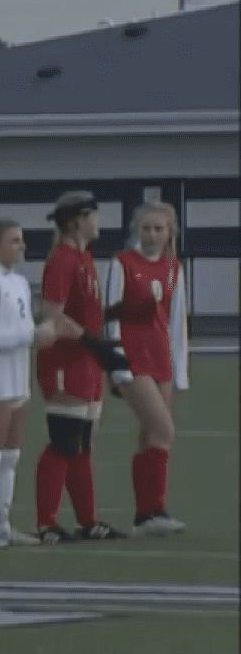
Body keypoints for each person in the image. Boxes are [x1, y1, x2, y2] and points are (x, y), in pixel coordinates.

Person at [0, 217, 70, 548]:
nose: (21, 246)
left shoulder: (19, 283)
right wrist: (29, 335)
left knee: (9, 458)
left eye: (21, 240)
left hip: (17, 378)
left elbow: (24, 332)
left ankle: (1, 523)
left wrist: (39, 338)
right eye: (13, 240)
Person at [33, 192, 125, 543]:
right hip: (65, 362)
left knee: (83, 443)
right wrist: (95, 344)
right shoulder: (62, 260)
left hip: (85, 362)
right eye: (93, 215)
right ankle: (46, 524)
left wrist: (101, 353)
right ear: (77, 220)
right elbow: (52, 318)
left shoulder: (84, 257)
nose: (98, 221)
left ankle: (89, 521)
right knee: (63, 442)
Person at [107, 202, 190, 535]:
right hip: (132, 358)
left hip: (161, 359)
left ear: (170, 232)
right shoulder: (122, 263)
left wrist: (179, 370)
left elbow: (177, 322)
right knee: (164, 431)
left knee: (150, 435)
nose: (152, 235)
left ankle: (147, 515)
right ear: (136, 230)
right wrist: (118, 366)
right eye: (146, 228)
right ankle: (154, 511)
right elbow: (110, 316)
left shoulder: (173, 267)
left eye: (159, 229)